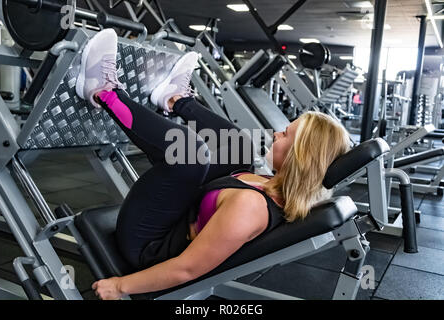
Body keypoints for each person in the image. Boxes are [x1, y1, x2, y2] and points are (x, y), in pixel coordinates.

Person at [75, 29, 351, 300]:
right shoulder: (273, 186)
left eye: (286, 135)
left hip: (148, 244)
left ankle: (103, 92)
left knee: (190, 155)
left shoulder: (250, 209)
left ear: (299, 157)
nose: (277, 134)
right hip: (179, 219)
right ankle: (175, 99)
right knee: (239, 146)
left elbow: (186, 269)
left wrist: (120, 286)